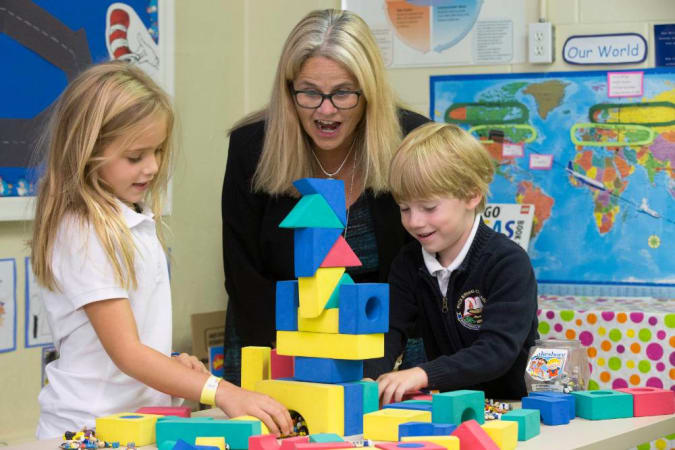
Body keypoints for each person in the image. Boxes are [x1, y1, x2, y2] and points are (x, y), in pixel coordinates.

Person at [31, 61, 292, 438]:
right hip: (86, 428)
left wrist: (170, 364)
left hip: (136, 423)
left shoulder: (131, 219)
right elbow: (127, 353)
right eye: (135, 157)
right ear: (86, 151)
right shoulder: (83, 231)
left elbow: (127, 345)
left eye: (157, 151)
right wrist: (222, 392)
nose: (152, 167)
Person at [221, 9, 429, 384]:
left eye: (343, 93)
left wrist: (374, 365)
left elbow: (422, 269)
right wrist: (287, 367)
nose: (326, 110)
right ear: (288, 90)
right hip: (275, 342)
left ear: (369, 92)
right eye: (310, 93)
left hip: (389, 346)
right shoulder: (251, 146)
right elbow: (243, 272)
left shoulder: (410, 140)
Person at [364, 122, 539, 403]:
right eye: (404, 208)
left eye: (429, 207)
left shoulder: (507, 263)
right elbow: (388, 332)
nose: (414, 222)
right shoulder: (408, 263)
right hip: (452, 405)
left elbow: (496, 351)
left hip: (516, 405)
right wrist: (369, 378)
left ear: (472, 194)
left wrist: (421, 374)